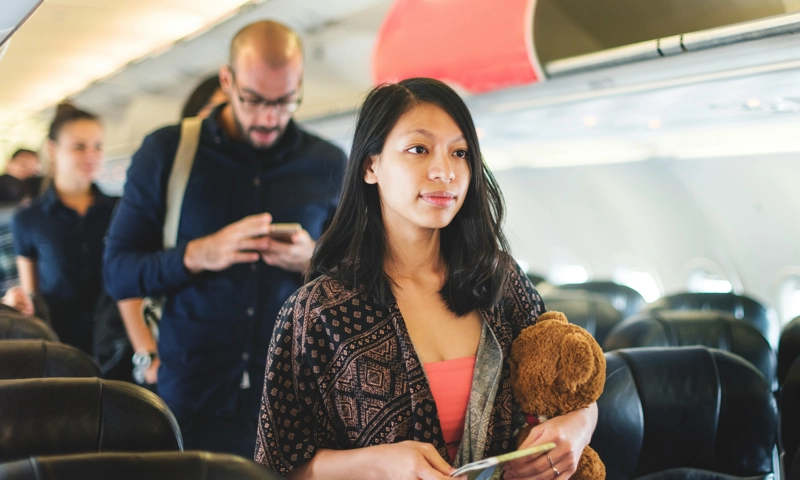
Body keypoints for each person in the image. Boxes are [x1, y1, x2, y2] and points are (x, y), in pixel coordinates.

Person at [255, 78, 598, 480]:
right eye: (419, 150)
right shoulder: (317, 311)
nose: (445, 171)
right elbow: (279, 467)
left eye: (460, 152)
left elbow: (573, 390)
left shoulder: (501, 281)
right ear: (371, 166)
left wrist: (578, 428)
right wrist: (378, 464)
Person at [103, 20, 346, 457]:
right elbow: (117, 273)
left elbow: (357, 283)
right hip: (188, 397)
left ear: (300, 86)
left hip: (290, 401)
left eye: (285, 101)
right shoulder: (167, 152)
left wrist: (311, 261)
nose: (269, 117)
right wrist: (197, 254)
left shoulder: (328, 163)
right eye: (253, 100)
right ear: (227, 81)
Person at [11, 104, 115, 354]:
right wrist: (17, 302)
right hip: (62, 345)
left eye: (97, 146)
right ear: (52, 149)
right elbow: (32, 295)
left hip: (117, 339)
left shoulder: (121, 210)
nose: (91, 155)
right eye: (79, 146)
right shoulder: (28, 219)